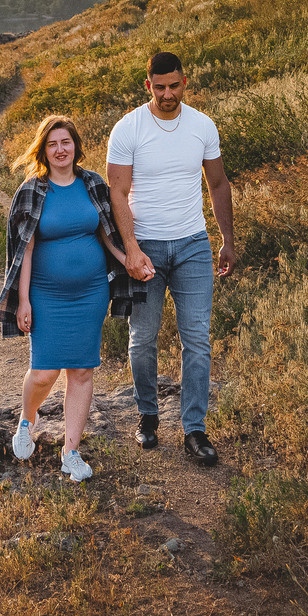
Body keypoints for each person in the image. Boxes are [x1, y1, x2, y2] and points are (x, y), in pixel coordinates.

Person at [0, 113, 141, 482]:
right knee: (44, 372)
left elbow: (107, 233)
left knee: (82, 370)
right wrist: (23, 300)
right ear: (43, 149)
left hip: (90, 293)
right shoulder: (32, 190)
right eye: (52, 144)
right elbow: (23, 250)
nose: (60, 150)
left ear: (75, 146)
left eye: (66, 142)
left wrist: (129, 261)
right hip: (46, 293)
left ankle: (70, 452)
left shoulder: (92, 183)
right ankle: (27, 419)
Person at [105, 50, 234, 465]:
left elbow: (217, 184)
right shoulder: (128, 128)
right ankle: (147, 418)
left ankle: (194, 430)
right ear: (148, 86)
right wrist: (131, 250)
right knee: (143, 339)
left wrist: (226, 239)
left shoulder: (202, 126)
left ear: (184, 82)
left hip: (193, 244)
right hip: (146, 249)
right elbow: (117, 194)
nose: (166, 94)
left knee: (196, 338)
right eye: (159, 87)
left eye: (173, 85)